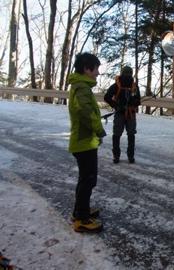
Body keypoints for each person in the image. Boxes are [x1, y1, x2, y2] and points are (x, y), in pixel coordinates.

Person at [68, 52, 106, 233]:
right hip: (84, 142)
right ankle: (82, 218)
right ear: (87, 69)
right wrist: (99, 130)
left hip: (85, 141)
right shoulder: (82, 88)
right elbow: (85, 113)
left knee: (86, 179)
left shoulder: (81, 86)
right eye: (96, 69)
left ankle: (80, 210)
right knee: (88, 180)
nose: (98, 73)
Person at [104, 66, 141, 164]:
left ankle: (122, 156)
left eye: (129, 73)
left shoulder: (132, 86)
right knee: (126, 134)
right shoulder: (119, 85)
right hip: (124, 113)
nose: (128, 75)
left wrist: (133, 102)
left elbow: (138, 100)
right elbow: (107, 97)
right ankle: (126, 156)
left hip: (128, 113)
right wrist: (116, 105)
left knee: (122, 134)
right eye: (127, 73)